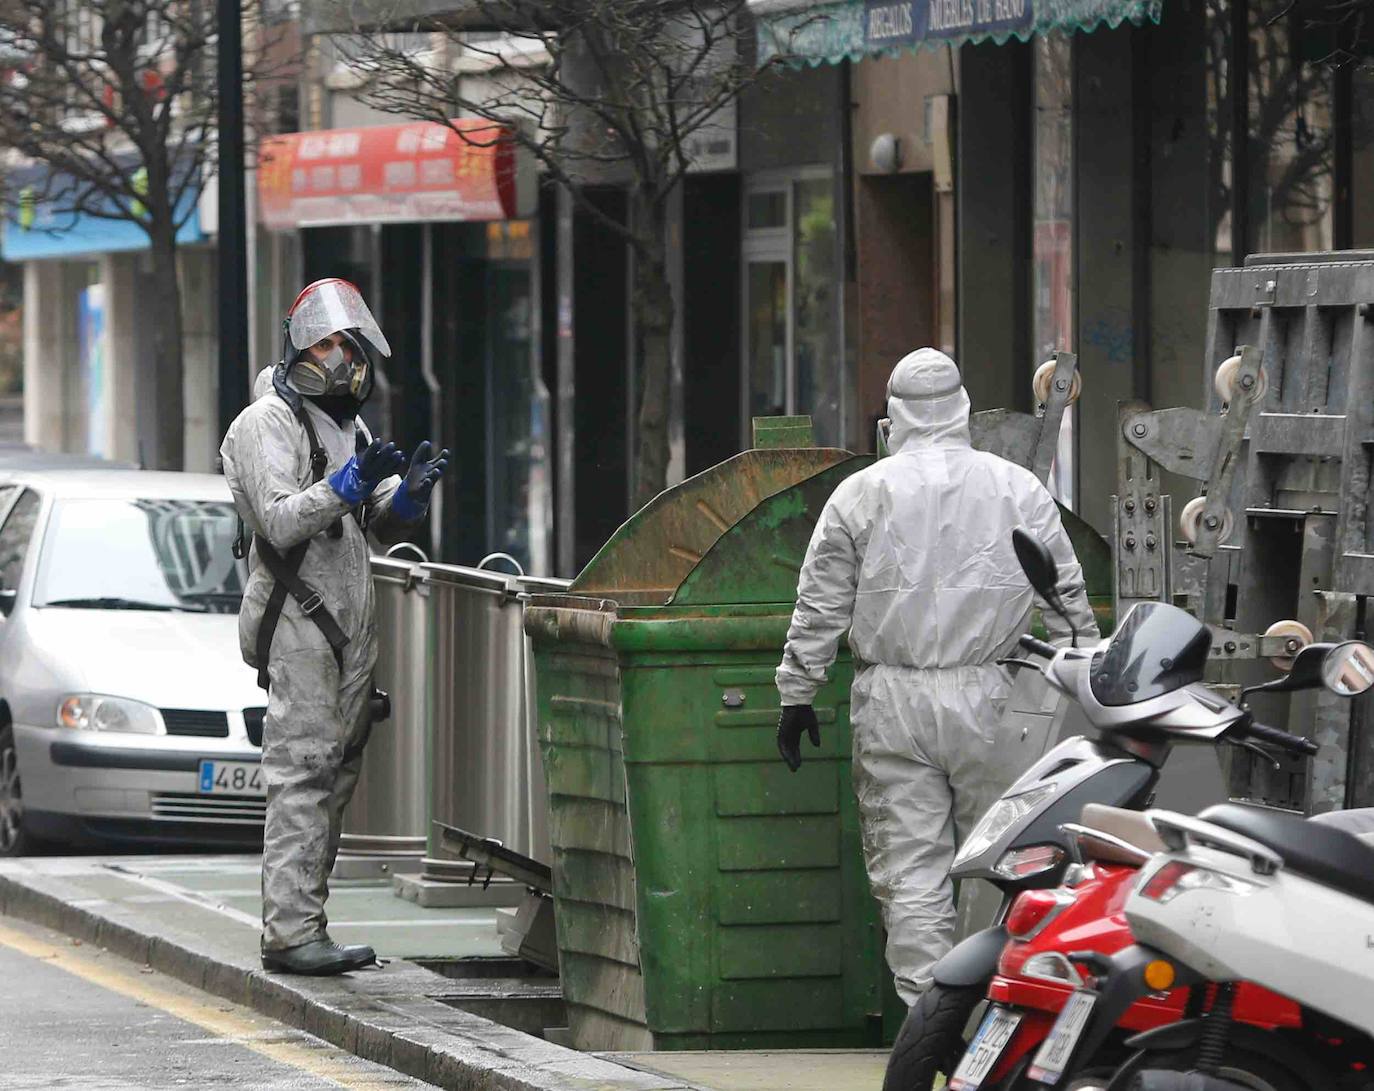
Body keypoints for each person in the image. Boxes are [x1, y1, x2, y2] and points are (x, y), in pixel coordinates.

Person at [774, 347, 1097, 1003]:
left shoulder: (859, 494)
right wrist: (1086, 689)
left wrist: (797, 694)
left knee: (910, 868)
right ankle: (998, 1011)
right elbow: (1066, 602)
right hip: (995, 698)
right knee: (1004, 860)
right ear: (963, 408)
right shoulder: (1017, 488)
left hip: (893, 698)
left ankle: (931, 1019)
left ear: (893, 416)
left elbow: (820, 606)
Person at [221, 278, 449, 976]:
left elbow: (371, 519)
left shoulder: (347, 424)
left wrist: (403, 495)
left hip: (348, 626)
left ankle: (307, 921)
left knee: (336, 776)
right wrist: (346, 485)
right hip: (300, 621)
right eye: (326, 342)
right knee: (301, 773)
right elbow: (282, 516)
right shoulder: (266, 423)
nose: (342, 356)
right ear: (296, 346)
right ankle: (289, 932)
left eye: (348, 344)